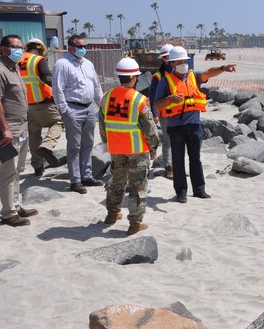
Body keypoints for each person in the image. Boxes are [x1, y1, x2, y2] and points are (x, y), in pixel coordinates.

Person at [154, 46, 236, 202]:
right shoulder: (165, 81)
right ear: (172, 64)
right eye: (179, 62)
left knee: (195, 159)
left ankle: (199, 190)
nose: (184, 64)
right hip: (175, 127)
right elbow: (157, 105)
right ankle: (181, 193)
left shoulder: (193, 76)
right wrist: (169, 99)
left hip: (194, 126)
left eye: (185, 61)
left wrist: (223, 68)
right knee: (178, 161)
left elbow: (208, 73)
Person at [99, 58, 160, 235]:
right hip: (137, 150)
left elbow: (102, 125)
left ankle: (112, 214)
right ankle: (134, 223)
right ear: (134, 77)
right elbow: (150, 129)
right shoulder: (139, 100)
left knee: (116, 182)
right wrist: (154, 148)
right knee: (137, 186)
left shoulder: (106, 97)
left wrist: (106, 143)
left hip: (116, 149)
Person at [0, 35, 38, 226]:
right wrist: (4, 129)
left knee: (19, 169)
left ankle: (16, 204)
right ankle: (8, 213)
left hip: (21, 128)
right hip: (8, 130)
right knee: (8, 171)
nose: (19, 50)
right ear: (4, 49)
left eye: (21, 47)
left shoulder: (14, 68)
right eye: (15, 47)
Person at [52, 34, 103, 194]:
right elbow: (57, 88)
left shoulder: (88, 63)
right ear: (71, 47)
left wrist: (100, 105)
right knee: (74, 145)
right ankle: (75, 181)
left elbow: (96, 86)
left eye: (84, 46)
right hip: (72, 108)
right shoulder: (62, 63)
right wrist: (64, 109)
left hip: (89, 108)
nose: (83, 49)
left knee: (88, 143)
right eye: (80, 46)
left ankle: (87, 176)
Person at [17, 38, 64, 176]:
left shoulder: (17, 61)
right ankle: (47, 146)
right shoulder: (38, 60)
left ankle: (37, 167)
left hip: (26, 105)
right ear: (39, 49)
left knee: (34, 134)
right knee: (57, 122)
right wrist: (60, 88)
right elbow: (46, 78)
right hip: (43, 102)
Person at [149, 44, 173, 179]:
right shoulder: (158, 76)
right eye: (165, 57)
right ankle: (168, 167)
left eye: (169, 56)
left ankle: (177, 166)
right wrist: (154, 113)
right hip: (165, 113)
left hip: (180, 112)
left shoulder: (180, 72)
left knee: (179, 140)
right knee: (168, 140)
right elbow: (152, 96)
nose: (167, 59)